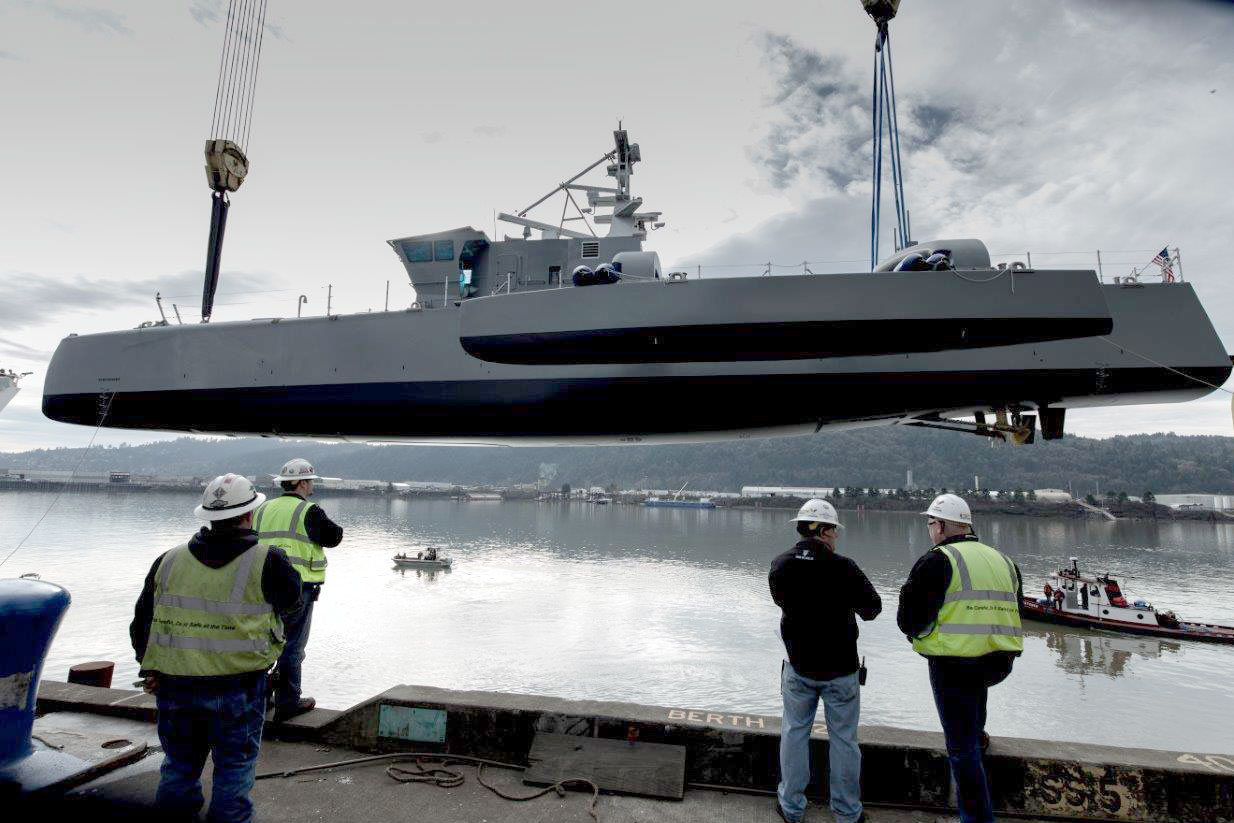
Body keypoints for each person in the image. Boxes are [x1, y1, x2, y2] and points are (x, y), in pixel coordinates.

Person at [131, 473, 302, 823]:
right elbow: (292, 603)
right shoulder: (267, 560)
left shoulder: (169, 560)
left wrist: (149, 669)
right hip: (238, 688)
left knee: (178, 767)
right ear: (250, 515)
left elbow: (142, 624)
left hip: (175, 686)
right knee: (234, 769)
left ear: (208, 515)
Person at [897, 493, 1024, 823]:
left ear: (939, 526)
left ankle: (977, 818)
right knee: (973, 725)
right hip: (998, 661)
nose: (929, 530)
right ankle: (978, 736)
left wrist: (921, 637)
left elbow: (908, 618)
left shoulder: (938, 559)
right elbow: (1018, 610)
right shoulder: (1003, 560)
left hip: (954, 663)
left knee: (960, 748)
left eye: (930, 523)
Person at [769, 499, 882, 823]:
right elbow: (872, 609)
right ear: (825, 530)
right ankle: (847, 813)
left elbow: (781, 600)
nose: (836, 537)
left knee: (794, 734)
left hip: (798, 667)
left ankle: (791, 808)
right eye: (834, 531)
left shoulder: (780, 564)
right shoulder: (844, 567)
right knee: (844, 740)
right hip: (841, 670)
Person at [253, 458, 343, 722]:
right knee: (292, 644)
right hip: (299, 588)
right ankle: (288, 702)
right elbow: (334, 537)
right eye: (310, 481)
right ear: (302, 483)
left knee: (263, 641)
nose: (312, 486)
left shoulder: (262, 509)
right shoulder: (309, 511)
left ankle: (260, 697)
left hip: (261, 587)